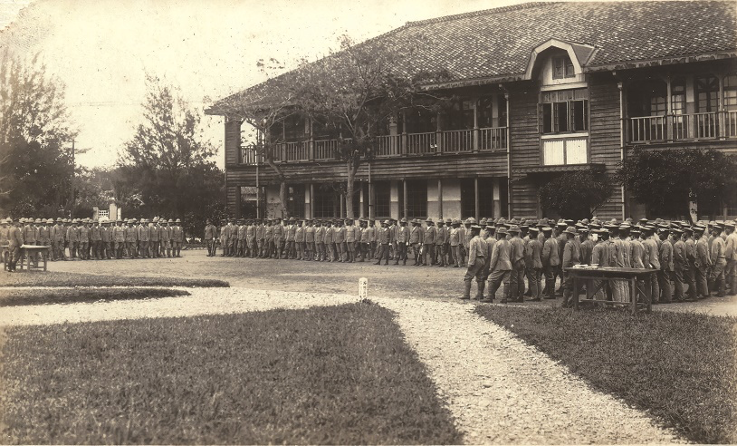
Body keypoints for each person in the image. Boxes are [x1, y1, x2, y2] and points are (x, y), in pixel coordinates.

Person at [486, 226, 511, 303]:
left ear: (500, 234)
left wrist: (491, 267)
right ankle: (504, 298)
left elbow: (494, 257)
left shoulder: (498, 243)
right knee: (506, 282)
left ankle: (489, 297)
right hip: (508, 264)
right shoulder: (509, 243)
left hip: (500, 264)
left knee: (491, 279)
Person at [461, 224, 486, 300]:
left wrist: (470, 263)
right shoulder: (483, 240)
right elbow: (486, 252)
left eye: (472, 230)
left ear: (475, 231)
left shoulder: (473, 240)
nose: (471, 232)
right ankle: (480, 294)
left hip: (476, 259)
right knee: (480, 278)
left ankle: (466, 294)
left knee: (467, 277)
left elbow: (472, 252)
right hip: (482, 259)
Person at [561, 226, 579, 308]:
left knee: (567, 286)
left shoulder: (568, 244)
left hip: (570, 267)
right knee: (575, 286)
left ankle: (564, 303)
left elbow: (566, 258)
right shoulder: (577, 243)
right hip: (577, 265)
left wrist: (564, 269)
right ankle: (572, 302)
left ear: (568, 234)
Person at [525, 226, 543, 301]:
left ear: (532, 234)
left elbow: (529, 255)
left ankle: (534, 296)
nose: (529, 235)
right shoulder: (539, 243)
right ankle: (539, 295)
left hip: (533, 263)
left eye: (530, 233)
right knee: (538, 280)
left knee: (533, 280)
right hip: (539, 263)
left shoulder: (530, 243)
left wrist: (528, 264)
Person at [541, 226, 559, 300]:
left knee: (549, 278)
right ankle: (549, 292)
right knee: (553, 277)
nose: (544, 234)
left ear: (548, 233)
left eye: (545, 233)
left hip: (550, 262)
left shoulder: (547, 242)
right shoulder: (555, 240)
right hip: (556, 261)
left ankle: (551, 293)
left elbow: (546, 255)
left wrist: (544, 263)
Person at [709, 224, 726, 297]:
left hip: (718, 261)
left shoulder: (715, 241)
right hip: (723, 260)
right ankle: (722, 291)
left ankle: (708, 292)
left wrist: (712, 263)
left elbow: (714, 253)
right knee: (721, 277)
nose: (712, 231)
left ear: (717, 232)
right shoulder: (721, 239)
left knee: (713, 277)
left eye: (714, 230)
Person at [725, 222, 737, 295]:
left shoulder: (730, 237)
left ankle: (722, 290)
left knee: (726, 273)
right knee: (734, 274)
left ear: (729, 229)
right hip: (735, 256)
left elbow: (729, 248)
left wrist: (727, 257)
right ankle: (733, 290)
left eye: (726, 228)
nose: (725, 229)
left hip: (731, 258)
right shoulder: (735, 236)